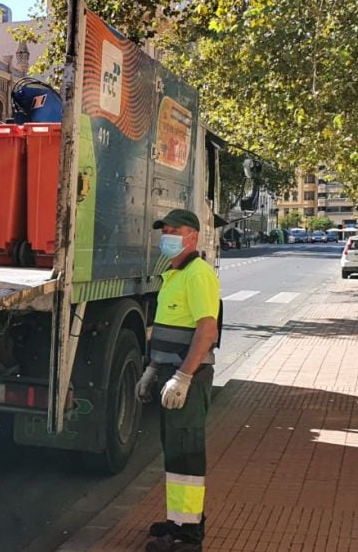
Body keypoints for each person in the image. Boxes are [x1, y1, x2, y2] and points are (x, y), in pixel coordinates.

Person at [136, 209, 221, 552]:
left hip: (190, 379)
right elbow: (167, 333)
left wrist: (184, 377)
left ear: (193, 237)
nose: (167, 236)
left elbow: (207, 329)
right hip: (170, 376)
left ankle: (188, 536)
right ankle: (179, 521)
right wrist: (152, 371)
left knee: (187, 455)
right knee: (174, 453)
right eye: (164, 230)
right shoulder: (172, 274)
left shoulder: (197, 274)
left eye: (174, 230)